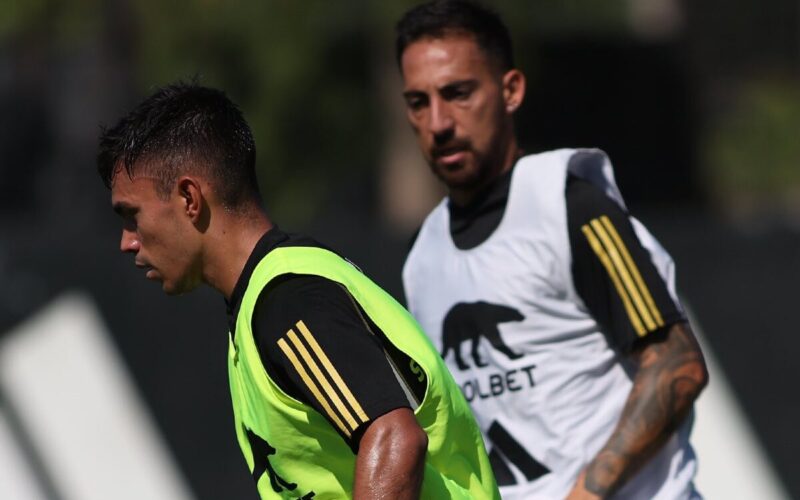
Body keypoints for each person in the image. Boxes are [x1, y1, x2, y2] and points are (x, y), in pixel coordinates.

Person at [97, 82, 500, 500]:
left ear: (189, 197)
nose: (128, 241)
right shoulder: (267, 298)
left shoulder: (287, 299)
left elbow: (394, 439)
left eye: (133, 216)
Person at [396, 1, 709, 499]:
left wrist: (585, 493)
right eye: (418, 101)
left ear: (511, 90)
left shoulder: (571, 207)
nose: (438, 123)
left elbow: (678, 364)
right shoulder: (421, 259)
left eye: (458, 93)